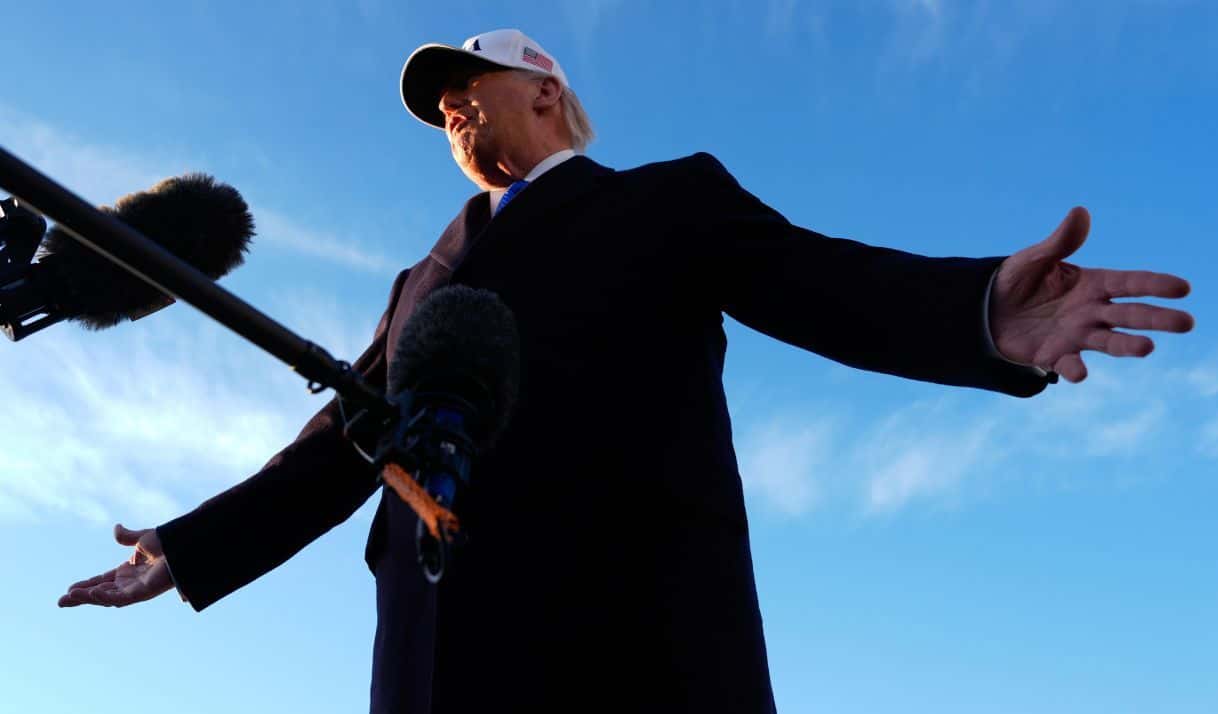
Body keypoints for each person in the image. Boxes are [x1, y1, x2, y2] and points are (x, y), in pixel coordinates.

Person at [59, 28, 1194, 713]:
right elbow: (337, 448)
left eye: (468, 83)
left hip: (626, 642)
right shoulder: (416, 283)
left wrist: (981, 311)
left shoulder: (665, 201)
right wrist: (189, 546)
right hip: (432, 658)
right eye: (439, 106)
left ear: (544, 92)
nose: (450, 108)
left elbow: (821, 280)